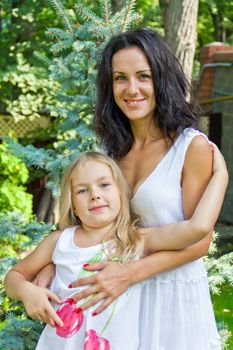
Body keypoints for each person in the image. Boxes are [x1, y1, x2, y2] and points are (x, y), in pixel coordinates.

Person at [62, 28, 228, 350]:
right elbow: (88, 228)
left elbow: (200, 242)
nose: (132, 89)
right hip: (120, 295)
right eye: (120, 78)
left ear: (161, 80)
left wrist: (132, 272)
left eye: (143, 76)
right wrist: (49, 265)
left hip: (174, 294)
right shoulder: (109, 152)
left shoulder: (190, 148)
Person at [4, 149, 227, 350]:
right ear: (72, 204)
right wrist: (26, 291)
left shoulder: (135, 240)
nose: (95, 194)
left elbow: (197, 228)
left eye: (104, 185)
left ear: (121, 192)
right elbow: (14, 277)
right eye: (82, 190)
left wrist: (221, 177)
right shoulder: (59, 242)